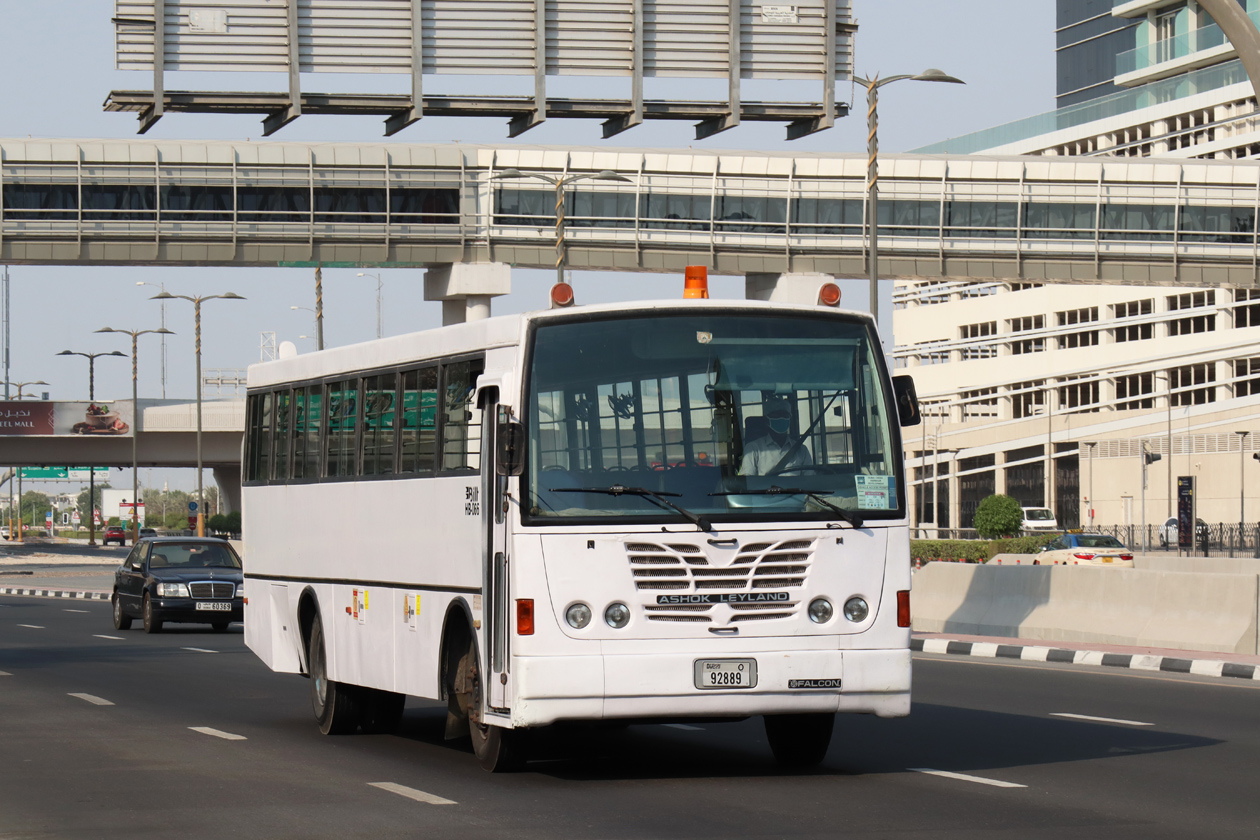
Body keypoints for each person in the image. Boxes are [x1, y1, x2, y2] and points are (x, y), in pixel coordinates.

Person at [739, 396, 813, 476]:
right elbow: (748, 482)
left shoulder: (802, 450)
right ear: (766, 420)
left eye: (785, 416)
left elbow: (810, 481)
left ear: (790, 420)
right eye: (776, 416)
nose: (781, 419)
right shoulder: (753, 449)